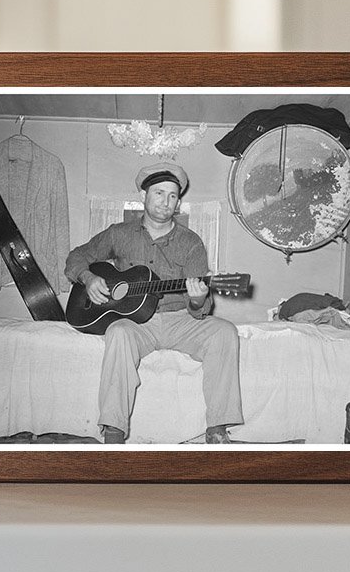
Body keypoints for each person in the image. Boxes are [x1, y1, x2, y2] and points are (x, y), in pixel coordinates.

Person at [64, 162, 243, 445]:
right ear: (143, 196)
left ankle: (217, 429)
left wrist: (198, 299)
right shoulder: (118, 233)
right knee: (118, 332)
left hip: (179, 320)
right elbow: (77, 256)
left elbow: (199, 308)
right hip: (136, 324)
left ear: (178, 203)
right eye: (159, 193)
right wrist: (88, 278)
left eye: (172, 196)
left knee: (224, 331)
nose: (165, 201)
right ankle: (114, 432)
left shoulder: (191, 242)